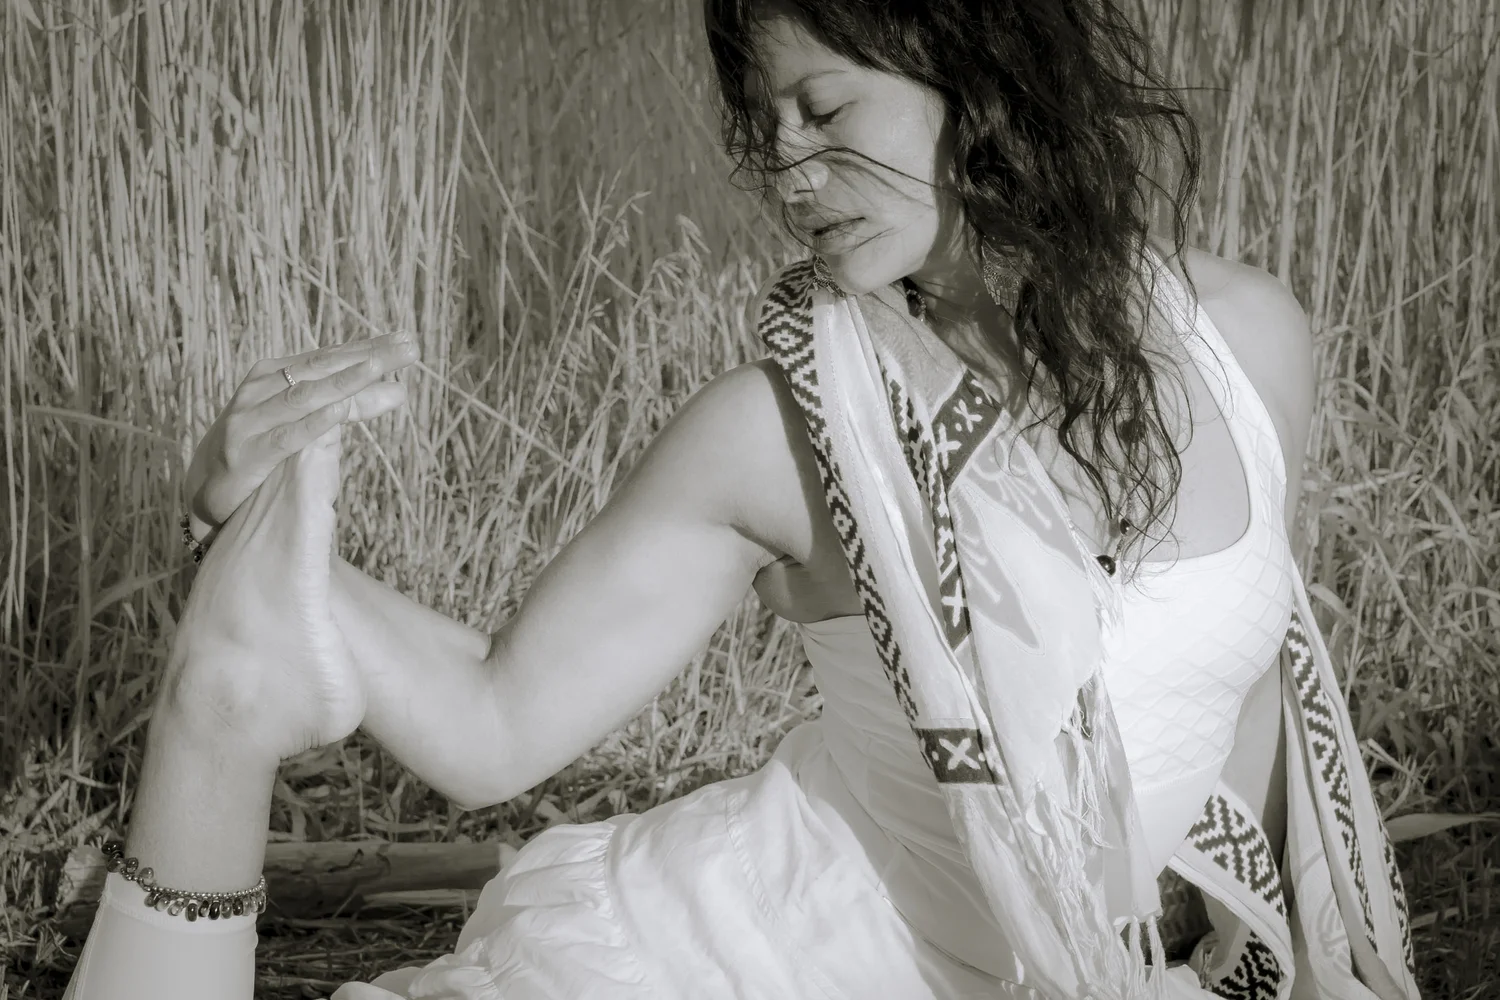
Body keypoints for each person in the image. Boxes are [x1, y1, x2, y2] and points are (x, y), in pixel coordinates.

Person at [62, 1, 1420, 998]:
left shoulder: (1244, 343)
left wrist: (1253, 955)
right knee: (229, 672)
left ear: (976, 69)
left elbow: (1248, 678)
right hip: (748, 957)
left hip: (1074, 972)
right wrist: (236, 523)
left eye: (824, 112)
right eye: (766, 132)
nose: (790, 174)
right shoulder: (783, 434)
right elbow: (490, 721)